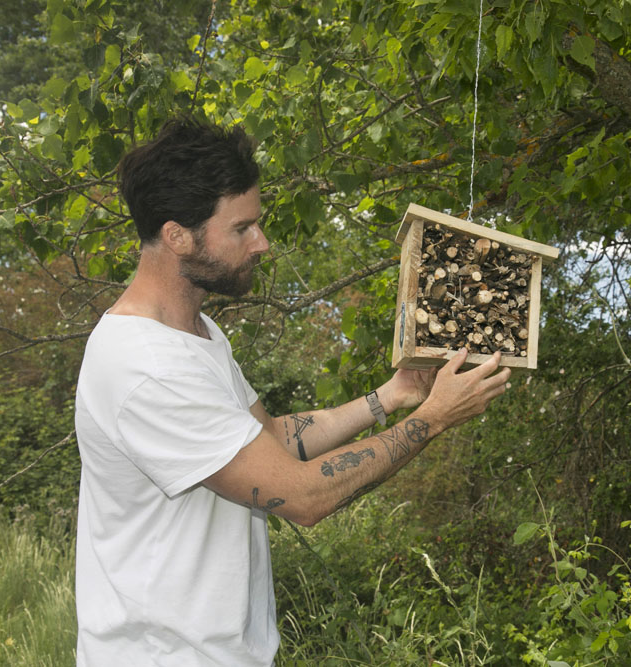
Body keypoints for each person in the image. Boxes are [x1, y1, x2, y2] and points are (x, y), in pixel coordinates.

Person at [73, 116, 511, 666]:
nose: (262, 243)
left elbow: (270, 439)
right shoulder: (146, 366)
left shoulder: (196, 334)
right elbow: (303, 497)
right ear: (177, 236)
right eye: (241, 228)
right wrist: (434, 419)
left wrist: (391, 396)